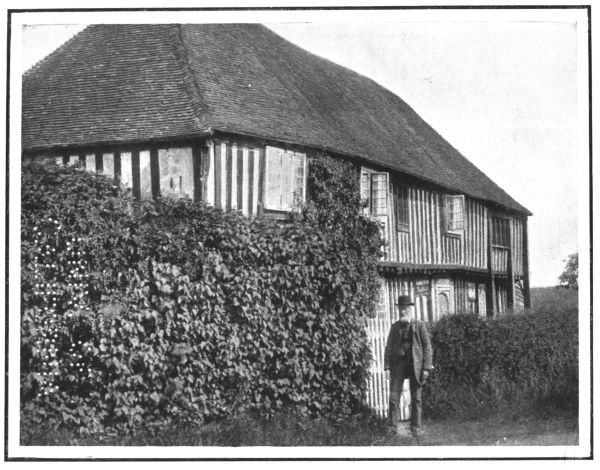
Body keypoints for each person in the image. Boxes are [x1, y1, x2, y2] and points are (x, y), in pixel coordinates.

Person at [384, 294, 433, 437]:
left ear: (411, 309)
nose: (402, 311)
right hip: (398, 363)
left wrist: (426, 368)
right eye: (400, 308)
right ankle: (392, 428)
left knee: (416, 397)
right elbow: (388, 347)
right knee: (394, 396)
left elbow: (427, 348)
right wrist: (387, 367)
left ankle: (416, 428)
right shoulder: (395, 327)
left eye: (405, 308)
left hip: (415, 364)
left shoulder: (420, 325)